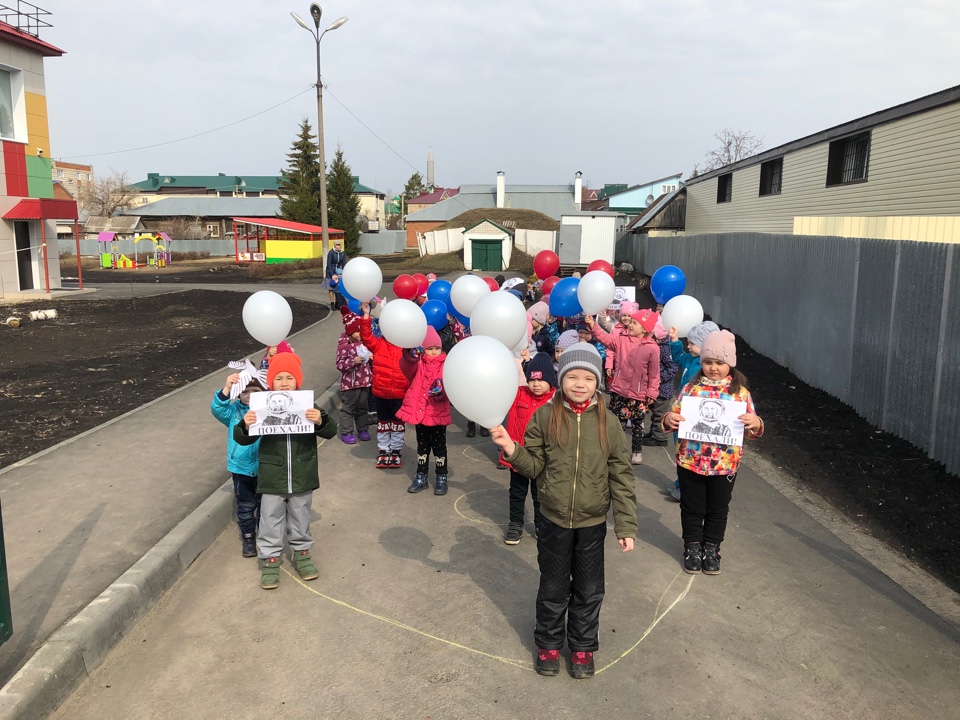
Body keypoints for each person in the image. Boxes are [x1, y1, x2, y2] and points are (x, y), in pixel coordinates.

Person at [490, 343, 637, 679]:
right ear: (562, 378)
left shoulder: (609, 422)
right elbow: (533, 466)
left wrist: (626, 525)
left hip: (592, 523)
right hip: (553, 520)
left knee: (589, 588)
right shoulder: (545, 416)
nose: (580, 384)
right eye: (572, 376)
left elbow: (621, 475)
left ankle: (583, 646)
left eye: (588, 378)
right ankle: (549, 643)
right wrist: (511, 448)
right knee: (553, 586)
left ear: (597, 382)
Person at [662, 330, 763, 575]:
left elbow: (751, 430)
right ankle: (692, 547)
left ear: (730, 364)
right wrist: (669, 419)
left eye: (719, 362)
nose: (713, 368)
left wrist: (755, 423)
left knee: (718, 509)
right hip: (690, 461)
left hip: (724, 465)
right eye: (708, 362)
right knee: (691, 507)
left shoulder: (740, 394)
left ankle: (712, 548)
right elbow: (674, 414)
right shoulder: (691, 389)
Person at [234, 352, 338, 589]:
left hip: (302, 475)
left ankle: (302, 554)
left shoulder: (308, 406)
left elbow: (331, 431)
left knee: (301, 517)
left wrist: (320, 421)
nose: (284, 383)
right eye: (278, 378)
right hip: (272, 476)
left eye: (289, 378)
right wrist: (246, 425)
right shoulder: (262, 407)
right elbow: (242, 438)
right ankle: (270, 559)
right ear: (271, 382)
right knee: (270, 519)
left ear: (297, 381)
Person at [586, 308, 660, 465]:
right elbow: (605, 339)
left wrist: (652, 392)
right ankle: (616, 451)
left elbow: (654, 374)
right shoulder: (621, 339)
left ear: (644, 329)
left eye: (634, 323)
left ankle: (637, 452)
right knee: (616, 424)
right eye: (631, 322)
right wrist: (593, 325)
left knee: (638, 425)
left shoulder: (653, 348)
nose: (630, 325)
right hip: (619, 390)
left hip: (639, 394)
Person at [500, 352, 557, 545]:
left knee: (540, 494)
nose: (536, 384)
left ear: (551, 381)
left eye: (541, 380)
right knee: (517, 492)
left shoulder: (555, 400)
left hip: (543, 458)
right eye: (532, 379)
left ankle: (541, 524)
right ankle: (515, 523)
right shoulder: (518, 394)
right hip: (518, 454)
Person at [210, 371, 266, 558]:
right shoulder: (233, 412)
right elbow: (217, 408)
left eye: (256, 391)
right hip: (241, 468)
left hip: (265, 467)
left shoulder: (269, 411)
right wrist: (227, 388)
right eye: (245, 392)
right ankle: (249, 538)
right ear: (238, 394)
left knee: (265, 505)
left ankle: (264, 536)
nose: (250, 395)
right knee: (246, 506)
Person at [664, 320, 720, 500]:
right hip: (682, 413)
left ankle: (686, 489)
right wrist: (674, 340)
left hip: (695, 417)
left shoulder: (706, 369)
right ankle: (680, 482)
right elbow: (678, 356)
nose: (688, 346)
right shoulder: (690, 358)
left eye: (692, 343)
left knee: (690, 452)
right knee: (680, 449)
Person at [397, 327, 452, 495]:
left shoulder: (447, 365)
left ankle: (441, 476)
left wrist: (442, 392)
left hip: (437, 412)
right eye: (430, 348)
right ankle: (421, 476)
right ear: (423, 349)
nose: (434, 352)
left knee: (439, 446)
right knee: (422, 446)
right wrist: (410, 355)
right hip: (420, 413)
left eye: (437, 348)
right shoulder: (418, 364)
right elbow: (406, 366)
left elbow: (453, 386)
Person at [360, 301, 411, 468]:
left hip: (400, 392)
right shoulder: (379, 344)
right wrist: (366, 315)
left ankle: (395, 451)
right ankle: (383, 450)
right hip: (381, 392)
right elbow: (366, 337)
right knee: (383, 422)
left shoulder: (406, 347)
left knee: (397, 424)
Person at [335, 311, 372, 444]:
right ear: (350, 332)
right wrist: (352, 361)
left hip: (364, 382)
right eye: (357, 331)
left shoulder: (364, 343)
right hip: (350, 384)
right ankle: (346, 432)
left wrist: (371, 358)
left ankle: (363, 429)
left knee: (362, 407)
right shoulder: (344, 346)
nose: (360, 333)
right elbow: (339, 364)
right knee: (349, 408)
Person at [642, 318, 678, 448]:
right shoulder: (658, 345)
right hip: (657, 387)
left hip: (663, 389)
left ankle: (659, 437)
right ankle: (653, 432)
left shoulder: (665, 348)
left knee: (659, 414)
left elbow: (673, 368)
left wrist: (658, 378)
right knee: (655, 411)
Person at [325, 241, 346, 310]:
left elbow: (344, 263)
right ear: (334, 245)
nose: (337, 246)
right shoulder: (331, 253)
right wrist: (332, 274)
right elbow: (329, 264)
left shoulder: (342, 253)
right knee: (331, 288)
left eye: (339, 245)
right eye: (336, 245)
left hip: (338, 271)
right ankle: (332, 303)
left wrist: (344, 273)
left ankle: (338, 303)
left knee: (338, 288)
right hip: (330, 271)